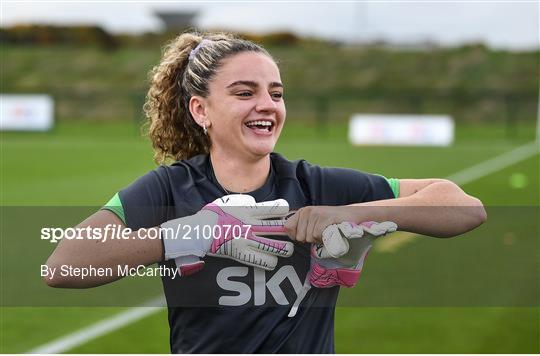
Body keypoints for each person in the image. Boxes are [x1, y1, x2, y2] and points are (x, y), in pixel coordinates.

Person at [44, 31, 487, 353]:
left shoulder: (316, 185)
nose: (267, 105)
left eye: (276, 93)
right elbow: (63, 266)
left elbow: (463, 206)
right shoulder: (170, 187)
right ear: (201, 110)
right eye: (244, 93)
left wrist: (350, 214)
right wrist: (193, 234)